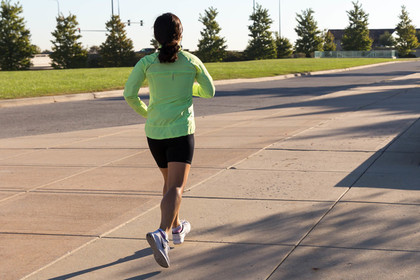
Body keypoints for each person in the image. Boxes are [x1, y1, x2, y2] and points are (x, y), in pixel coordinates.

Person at [123, 12, 215, 268]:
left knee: (168, 183)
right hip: (180, 132)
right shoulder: (191, 61)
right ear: (180, 34)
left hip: (155, 133)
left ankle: (176, 229)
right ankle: (161, 233)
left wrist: (148, 113)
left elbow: (129, 94)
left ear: (156, 36)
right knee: (176, 186)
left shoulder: (147, 63)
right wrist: (190, 88)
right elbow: (209, 91)